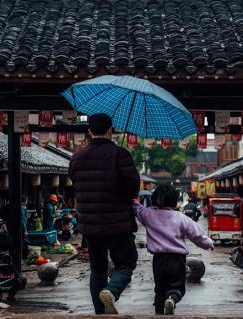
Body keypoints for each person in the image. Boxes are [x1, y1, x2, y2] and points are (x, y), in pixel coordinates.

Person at [68, 113, 140, 315]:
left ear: (89, 131)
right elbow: (133, 189)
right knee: (126, 264)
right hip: (118, 223)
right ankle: (111, 291)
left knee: (97, 269)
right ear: (110, 130)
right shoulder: (121, 155)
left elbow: (76, 186)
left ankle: (101, 312)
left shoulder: (76, 158)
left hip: (90, 225)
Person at [133, 185, 214, 315]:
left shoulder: (148, 214)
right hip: (177, 259)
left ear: (154, 199)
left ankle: (159, 312)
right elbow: (196, 234)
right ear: (174, 201)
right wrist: (208, 243)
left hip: (158, 260)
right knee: (177, 287)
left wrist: (129, 200)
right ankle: (171, 299)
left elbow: (137, 209)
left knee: (159, 289)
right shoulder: (180, 218)